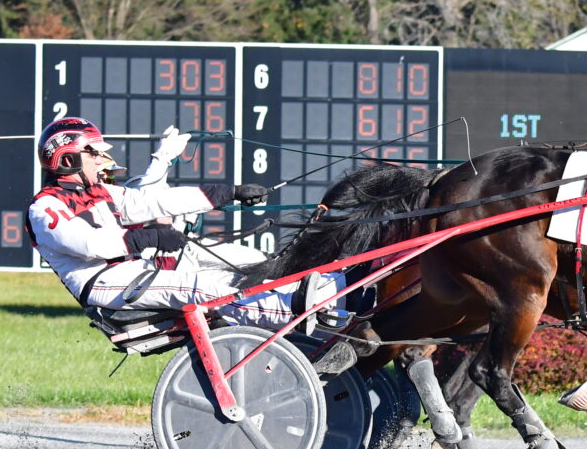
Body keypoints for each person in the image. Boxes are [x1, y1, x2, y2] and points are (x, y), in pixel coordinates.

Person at [25, 117, 358, 341]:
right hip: (105, 286)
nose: (103, 160)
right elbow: (91, 244)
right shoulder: (44, 208)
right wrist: (151, 236)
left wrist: (227, 192)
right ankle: (293, 312)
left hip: (135, 271)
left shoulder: (104, 192)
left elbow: (155, 203)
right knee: (196, 287)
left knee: (235, 265)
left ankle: (338, 288)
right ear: (67, 159)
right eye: (93, 153)